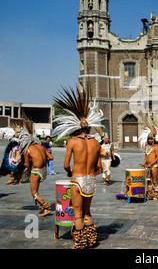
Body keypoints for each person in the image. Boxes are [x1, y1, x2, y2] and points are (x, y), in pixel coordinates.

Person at [53, 84, 104, 249]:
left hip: (78, 179)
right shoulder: (96, 142)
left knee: (78, 214)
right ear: (89, 126)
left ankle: (80, 243)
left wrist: (69, 173)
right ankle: (91, 240)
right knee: (88, 212)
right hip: (91, 180)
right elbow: (98, 166)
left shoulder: (73, 142)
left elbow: (66, 164)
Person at [19, 118, 53, 217]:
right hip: (43, 171)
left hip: (35, 170)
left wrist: (26, 162)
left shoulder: (28, 149)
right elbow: (51, 157)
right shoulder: (42, 147)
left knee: (34, 192)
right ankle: (44, 208)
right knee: (36, 191)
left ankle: (45, 207)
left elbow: (26, 165)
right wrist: (42, 159)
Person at [139, 122, 158, 201]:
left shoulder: (156, 147)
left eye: (151, 139)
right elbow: (146, 156)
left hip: (154, 166)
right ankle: (150, 194)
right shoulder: (146, 147)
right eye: (149, 139)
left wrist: (152, 163)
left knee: (154, 179)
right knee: (149, 180)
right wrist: (145, 162)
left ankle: (156, 195)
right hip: (148, 165)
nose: (150, 140)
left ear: (153, 139)